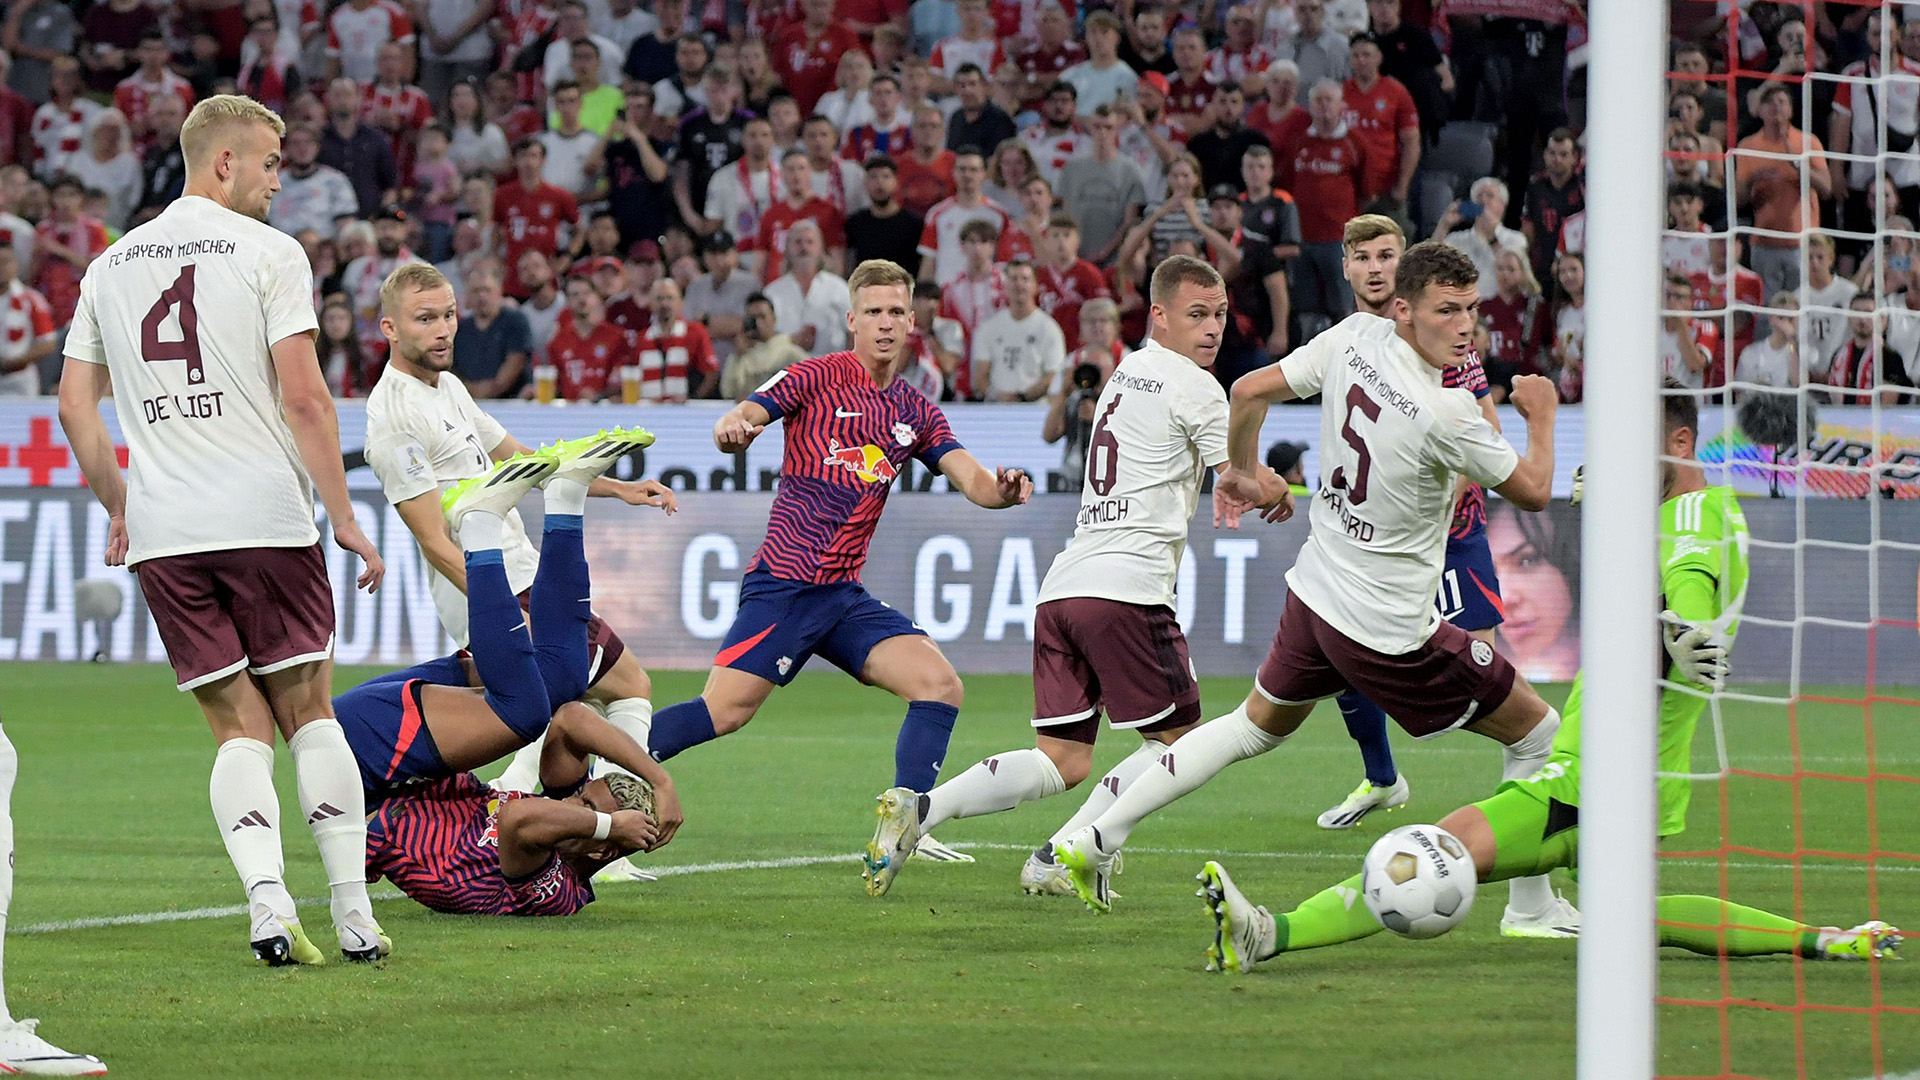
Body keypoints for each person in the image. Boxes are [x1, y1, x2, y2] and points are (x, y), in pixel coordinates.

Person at [1200, 391, 1902, 973]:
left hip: (1593, 780)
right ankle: (1824, 939)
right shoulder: (1684, 516)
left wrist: (1686, 629)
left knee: (1432, 855)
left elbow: (1690, 584)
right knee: (1636, 917)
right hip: (1634, 778)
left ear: (1681, 444)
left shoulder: (1695, 514)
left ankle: (1267, 934)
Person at [1053, 243, 1563, 919]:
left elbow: (1248, 390)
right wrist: (1543, 416)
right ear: (1405, 311)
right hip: (1388, 628)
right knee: (1539, 732)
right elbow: (1532, 490)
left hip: (1316, 592)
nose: (1465, 327)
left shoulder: (1353, 339)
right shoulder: (1447, 413)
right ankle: (1531, 909)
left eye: (1471, 309)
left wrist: (1237, 467)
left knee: (1251, 727)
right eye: (1447, 311)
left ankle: (1095, 836)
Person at [58, 94, 389, 966]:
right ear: (225, 163)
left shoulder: (111, 264)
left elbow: (74, 409)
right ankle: (355, 914)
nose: (282, 179)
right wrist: (346, 518)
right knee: (309, 711)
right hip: (265, 517)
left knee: (236, 727)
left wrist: (120, 505)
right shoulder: (270, 253)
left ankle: (268, 907)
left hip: (168, 532)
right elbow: (307, 398)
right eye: (273, 162)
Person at [871, 255, 1292, 896]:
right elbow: (1241, 475)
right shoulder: (1197, 387)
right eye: (1197, 315)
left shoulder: (1126, 373)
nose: (1212, 330)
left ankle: (924, 810)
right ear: (1160, 315)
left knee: (1062, 759)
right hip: (1128, 590)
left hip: (1064, 587)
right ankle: (1075, 849)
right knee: (1179, 742)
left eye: (1220, 316)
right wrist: (1275, 487)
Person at [638, 259, 1032, 896]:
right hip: (785, 585)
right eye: (872, 311)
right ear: (851, 320)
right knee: (724, 713)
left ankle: (905, 821)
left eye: (895, 312)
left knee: (939, 685)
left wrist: (1005, 490)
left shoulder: (915, 411)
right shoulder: (813, 376)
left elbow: (973, 481)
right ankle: (605, 770)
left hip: (842, 597)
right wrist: (732, 429)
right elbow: (740, 417)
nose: (884, 323)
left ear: (912, 323)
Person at [346, 437, 681, 916]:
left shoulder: (556, 888)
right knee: (564, 683)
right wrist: (658, 780)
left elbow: (520, 818)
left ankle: (479, 526)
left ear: (602, 852)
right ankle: (566, 498)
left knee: (524, 712)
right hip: (408, 751)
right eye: (582, 798)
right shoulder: (571, 836)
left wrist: (604, 826)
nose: (572, 806)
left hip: (369, 767)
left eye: (585, 810)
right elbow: (570, 720)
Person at [1737, 84, 1830, 297]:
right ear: (1759, 111)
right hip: (1765, 244)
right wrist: (1753, 180)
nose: (1776, 107)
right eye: (1769, 102)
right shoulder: (1748, 146)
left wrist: (1798, 166)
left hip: (1804, 245)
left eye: (1782, 102)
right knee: (1768, 312)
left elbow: (1826, 189)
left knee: (1803, 306)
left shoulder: (1808, 142)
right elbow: (1737, 201)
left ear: (1791, 110)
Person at [1341, 32, 1418, 228]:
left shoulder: (1396, 91)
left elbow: (1411, 142)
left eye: (1366, 55)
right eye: (1356, 56)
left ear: (1379, 58)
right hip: (1349, 188)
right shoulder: (1340, 92)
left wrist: (1403, 186)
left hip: (1386, 188)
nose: (1361, 61)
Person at [1055, 104, 1147, 267]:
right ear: (1090, 128)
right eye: (1097, 127)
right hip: (1075, 257)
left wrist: (1104, 253)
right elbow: (1066, 215)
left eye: (1108, 127)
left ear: (1117, 129)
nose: (1102, 133)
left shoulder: (1130, 171)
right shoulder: (1072, 169)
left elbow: (1129, 222)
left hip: (1115, 261)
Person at [970, 257, 1064, 401]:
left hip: (1035, 410)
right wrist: (996, 396)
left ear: (1035, 286)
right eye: (1013, 279)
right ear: (1005, 284)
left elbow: (1054, 376)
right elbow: (980, 376)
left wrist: (1022, 397)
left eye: (1025, 279)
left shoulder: (1049, 328)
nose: (1019, 284)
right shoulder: (989, 327)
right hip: (996, 410)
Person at [918, 146, 1014, 285]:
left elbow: (1003, 262)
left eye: (973, 170)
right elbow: (928, 261)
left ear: (983, 174)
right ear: (953, 172)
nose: (967, 175)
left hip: (987, 296)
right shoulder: (937, 214)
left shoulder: (999, 215)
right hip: (946, 293)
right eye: (962, 169)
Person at [765, 220, 852, 355]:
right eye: (798, 242)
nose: (803, 247)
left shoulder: (839, 289)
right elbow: (763, 340)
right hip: (786, 371)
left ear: (820, 248)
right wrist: (790, 340)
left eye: (809, 242)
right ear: (787, 249)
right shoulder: (772, 293)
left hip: (831, 371)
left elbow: (854, 333)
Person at [452, 264, 532, 398]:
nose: (482, 296)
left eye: (487, 290)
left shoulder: (515, 321)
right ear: (467, 295)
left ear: (499, 291)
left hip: (510, 404)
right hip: (469, 405)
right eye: (476, 291)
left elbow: (515, 363)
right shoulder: (460, 329)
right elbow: (453, 371)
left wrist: (483, 392)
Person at [636, 276, 718, 400]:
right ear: (650, 304)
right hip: (648, 411)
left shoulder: (695, 332)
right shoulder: (642, 338)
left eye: (669, 298)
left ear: (680, 302)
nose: (664, 304)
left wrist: (693, 400)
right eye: (659, 299)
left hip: (683, 412)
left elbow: (711, 374)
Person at [845, 156, 926, 272]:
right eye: (873, 177)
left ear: (896, 181)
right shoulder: (855, 222)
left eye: (886, 177)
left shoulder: (914, 223)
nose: (880, 183)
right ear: (865, 183)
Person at [721, 291, 808, 400]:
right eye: (753, 318)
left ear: (774, 319)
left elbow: (810, 383)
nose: (758, 323)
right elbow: (728, 392)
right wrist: (738, 356)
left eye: (762, 317)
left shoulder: (789, 352)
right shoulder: (742, 354)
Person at [1185, 82, 1268, 194]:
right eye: (1222, 102)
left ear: (1242, 106)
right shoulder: (1197, 144)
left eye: (1234, 102)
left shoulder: (1256, 142)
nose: (1228, 108)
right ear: (1213, 104)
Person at [1058, 11, 1134, 116]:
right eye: (1093, 32)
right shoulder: (1069, 76)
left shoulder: (1127, 77)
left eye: (1104, 32)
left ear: (1117, 37)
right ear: (1086, 38)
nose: (1098, 38)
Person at [0, 243, 51, 397]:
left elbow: (48, 343)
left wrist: (13, 362)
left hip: (20, 378)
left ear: (16, 265)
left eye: (6, 262)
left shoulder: (31, 299)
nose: (2, 267)